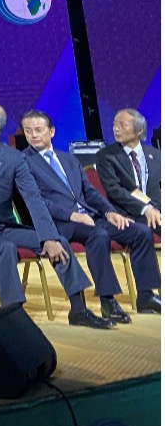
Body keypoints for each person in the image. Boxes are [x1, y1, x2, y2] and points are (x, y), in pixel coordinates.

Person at [0, 102, 110, 328]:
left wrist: (48, 236)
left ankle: (79, 309)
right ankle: (14, 316)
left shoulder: (13, 158)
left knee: (58, 241)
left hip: (1, 224)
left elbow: (33, 199)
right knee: (3, 247)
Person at [19, 111, 160, 319]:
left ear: (51, 131)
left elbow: (89, 192)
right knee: (98, 235)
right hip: (59, 222)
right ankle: (108, 300)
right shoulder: (23, 162)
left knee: (139, 232)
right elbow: (35, 202)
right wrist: (71, 215)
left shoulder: (67, 159)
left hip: (91, 216)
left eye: (38, 130)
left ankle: (146, 295)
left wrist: (109, 212)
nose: (33, 135)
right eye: (28, 131)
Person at [95, 108, 162, 313]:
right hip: (122, 215)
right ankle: (146, 295)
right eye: (115, 124)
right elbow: (115, 190)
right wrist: (146, 208)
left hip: (153, 212)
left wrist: (156, 209)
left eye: (122, 125)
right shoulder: (106, 156)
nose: (116, 128)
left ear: (139, 131)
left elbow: (157, 189)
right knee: (142, 233)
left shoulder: (155, 154)